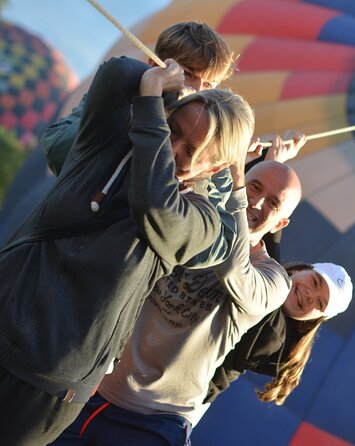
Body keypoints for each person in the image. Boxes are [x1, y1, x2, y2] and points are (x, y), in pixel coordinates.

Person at [0, 53, 254, 445]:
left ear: (212, 171)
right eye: (173, 128)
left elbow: (157, 204)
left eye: (191, 151)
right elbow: (115, 73)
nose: (173, 148)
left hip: (44, 387)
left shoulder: (199, 223)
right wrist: (164, 81)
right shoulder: (105, 145)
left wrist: (152, 105)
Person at [51, 159, 305, 445]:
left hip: (156, 421)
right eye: (253, 186)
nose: (256, 201)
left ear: (281, 223)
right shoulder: (195, 224)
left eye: (273, 202)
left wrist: (234, 190)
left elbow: (234, 269)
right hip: (90, 391)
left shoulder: (274, 279)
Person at [43, 20, 235, 176]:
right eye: (187, 74)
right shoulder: (121, 92)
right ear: (154, 65)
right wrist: (142, 102)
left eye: (209, 85)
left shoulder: (209, 137)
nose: (198, 90)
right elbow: (56, 148)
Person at [210, 262, 353, 406]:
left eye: (320, 304)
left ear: (315, 320)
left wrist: (263, 248)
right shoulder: (259, 275)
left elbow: (268, 289)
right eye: (315, 282)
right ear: (299, 270)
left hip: (191, 395)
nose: (311, 296)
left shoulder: (276, 337)